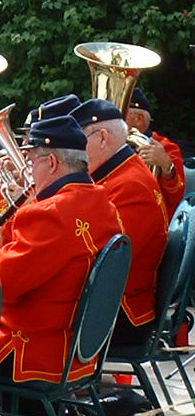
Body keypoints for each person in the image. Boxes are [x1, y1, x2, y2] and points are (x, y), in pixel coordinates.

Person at [0, 116, 121, 406]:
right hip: (75, 350)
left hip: (29, 351)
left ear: (54, 163)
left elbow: (2, 284)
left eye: (32, 161)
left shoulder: (51, 213)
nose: (29, 170)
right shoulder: (102, 202)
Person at [70, 98, 168, 346]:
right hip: (107, 304)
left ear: (102, 138)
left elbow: (99, 262)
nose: (71, 151)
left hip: (117, 315)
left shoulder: (129, 185)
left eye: (76, 141)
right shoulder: (116, 175)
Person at [126, 86, 185, 219]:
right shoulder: (109, 145)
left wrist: (165, 164)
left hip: (150, 221)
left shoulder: (166, 147)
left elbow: (176, 194)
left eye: (119, 115)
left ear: (138, 119)